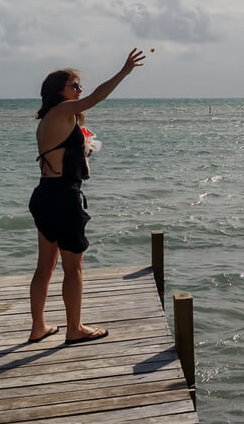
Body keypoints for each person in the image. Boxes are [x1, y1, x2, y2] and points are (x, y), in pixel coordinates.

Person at [27, 48, 144, 344]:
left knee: (45, 266)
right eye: (74, 85)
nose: (80, 90)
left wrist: (83, 149)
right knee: (73, 268)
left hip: (44, 195)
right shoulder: (63, 111)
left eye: (80, 85)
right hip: (64, 198)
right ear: (59, 91)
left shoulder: (50, 118)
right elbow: (96, 98)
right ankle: (74, 329)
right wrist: (124, 72)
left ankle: (38, 327)